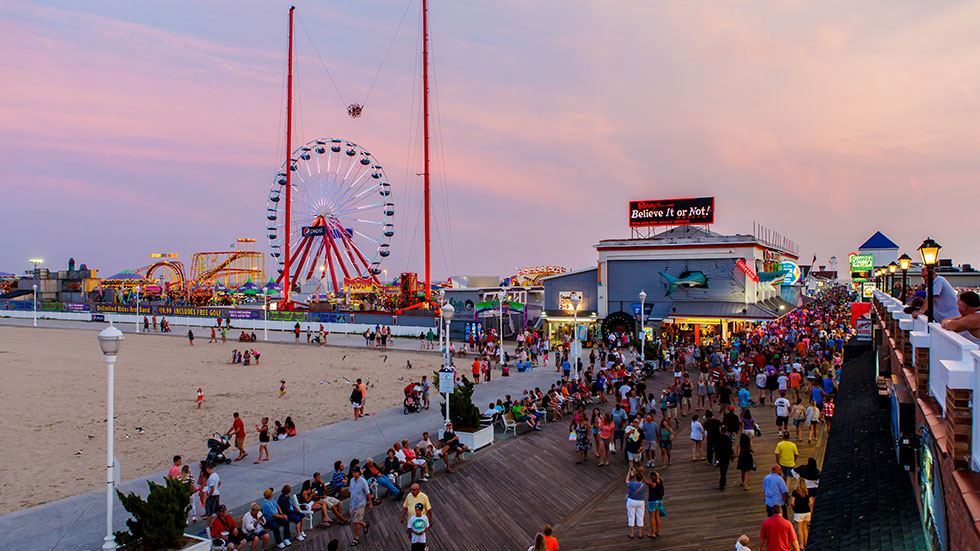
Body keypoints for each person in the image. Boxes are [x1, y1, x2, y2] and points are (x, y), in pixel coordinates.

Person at [348, 466, 372, 547]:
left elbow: (367, 493)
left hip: (360, 504)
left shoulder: (363, 482)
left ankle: (356, 537)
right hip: (353, 504)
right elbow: (351, 492)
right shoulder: (351, 480)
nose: (354, 474)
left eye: (355, 472)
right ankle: (364, 524)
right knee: (355, 520)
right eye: (353, 472)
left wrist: (370, 503)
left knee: (356, 521)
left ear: (359, 473)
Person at [625, 468, 646, 539]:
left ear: (635, 478)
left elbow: (627, 481)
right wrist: (641, 472)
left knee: (631, 516)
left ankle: (632, 534)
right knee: (640, 517)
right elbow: (643, 479)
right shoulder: (643, 485)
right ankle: (640, 534)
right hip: (640, 501)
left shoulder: (632, 484)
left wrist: (629, 472)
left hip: (631, 501)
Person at [790, 480, 811, 548]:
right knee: (805, 528)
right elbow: (810, 502)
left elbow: (792, 503)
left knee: (799, 529)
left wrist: (793, 508)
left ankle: (801, 544)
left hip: (798, 512)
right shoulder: (807, 492)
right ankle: (806, 542)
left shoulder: (795, 492)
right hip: (807, 511)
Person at [645, 470, 665, 538]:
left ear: (652, 477)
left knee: (652, 517)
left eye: (650, 475)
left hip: (652, 501)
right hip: (659, 501)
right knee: (657, 516)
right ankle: (658, 531)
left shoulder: (652, 484)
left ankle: (653, 533)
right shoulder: (660, 480)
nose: (649, 476)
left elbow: (644, 481)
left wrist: (642, 472)